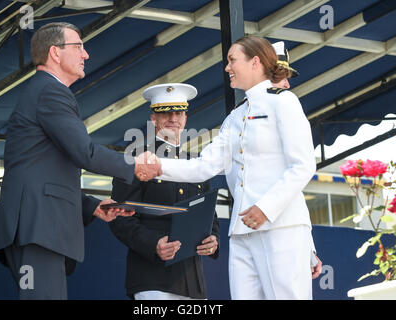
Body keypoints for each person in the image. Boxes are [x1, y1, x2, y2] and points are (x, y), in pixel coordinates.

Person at [0, 22, 160, 300]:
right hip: (37, 227)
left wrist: (92, 206)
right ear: (55, 53)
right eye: (79, 46)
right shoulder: (50, 91)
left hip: (38, 226)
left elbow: (46, 168)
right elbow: (84, 152)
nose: (86, 55)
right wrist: (134, 167)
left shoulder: (45, 91)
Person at [155, 36, 318, 299]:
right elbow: (203, 166)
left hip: (281, 228)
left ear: (255, 62)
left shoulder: (283, 102)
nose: (227, 67)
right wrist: (156, 166)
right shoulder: (235, 116)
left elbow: (303, 165)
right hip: (242, 232)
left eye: (232, 60)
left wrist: (266, 208)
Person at [109, 83, 220, 300]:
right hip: (152, 277)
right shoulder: (136, 159)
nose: (173, 118)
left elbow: (210, 216)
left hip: (192, 281)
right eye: (166, 113)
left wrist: (213, 240)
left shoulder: (196, 164)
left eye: (179, 112)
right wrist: (153, 244)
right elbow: (120, 218)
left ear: (185, 118)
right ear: (153, 119)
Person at [271, 41, 323, 280]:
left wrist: (308, 246)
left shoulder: (289, 105)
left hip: (291, 236)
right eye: (281, 77)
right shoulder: (238, 118)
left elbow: (297, 182)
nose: (287, 84)